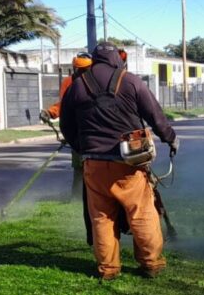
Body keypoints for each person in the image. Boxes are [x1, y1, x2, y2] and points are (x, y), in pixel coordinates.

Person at [60, 43, 178, 281]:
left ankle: (109, 269)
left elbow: (67, 126)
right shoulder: (131, 81)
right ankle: (151, 263)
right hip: (129, 163)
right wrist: (171, 139)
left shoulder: (77, 86)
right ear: (117, 59)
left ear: (95, 59)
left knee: (102, 217)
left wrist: (83, 149)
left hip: (94, 164)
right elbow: (155, 115)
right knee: (142, 213)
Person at [40, 53, 93, 199]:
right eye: (79, 69)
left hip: (96, 129)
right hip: (77, 132)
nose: (82, 73)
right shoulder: (69, 82)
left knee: (98, 167)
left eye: (86, 69)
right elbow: (64, 104)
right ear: (75, 68)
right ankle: (77, 198)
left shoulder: (98, 81)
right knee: (79, 167)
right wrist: (50, 112)